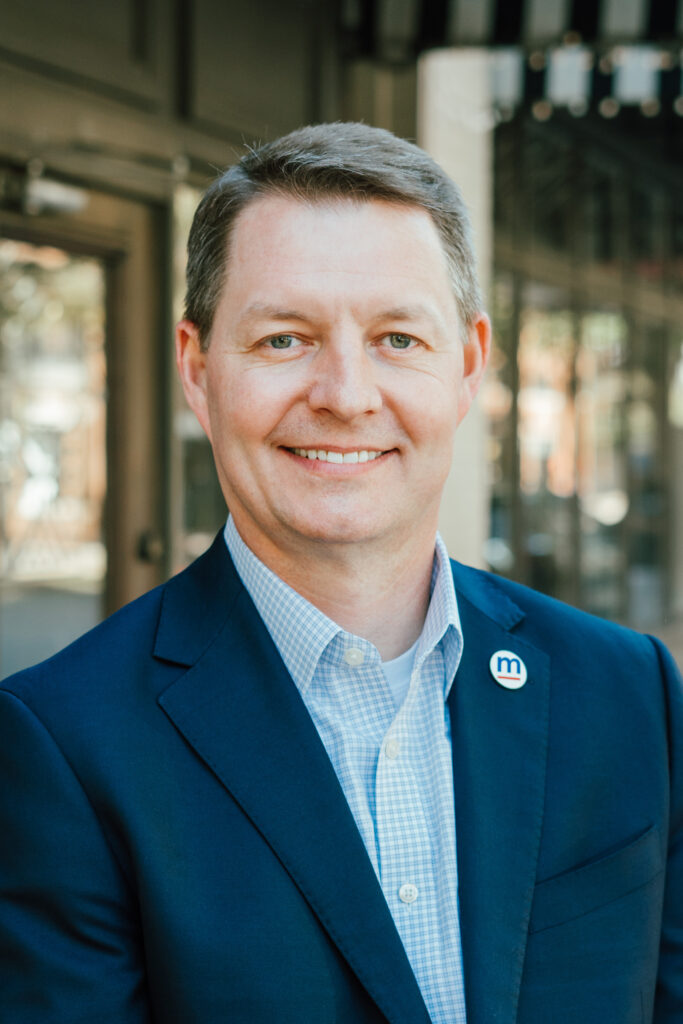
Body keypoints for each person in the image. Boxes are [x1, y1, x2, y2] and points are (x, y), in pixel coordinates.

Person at [0, 122, 681, 1024]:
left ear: (469, 365)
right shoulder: (61, 748)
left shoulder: (629, 692)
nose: (347, 393)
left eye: (398, 338)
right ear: (198, 370)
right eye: (285, 339)